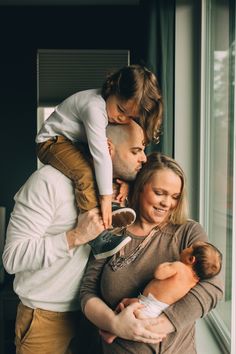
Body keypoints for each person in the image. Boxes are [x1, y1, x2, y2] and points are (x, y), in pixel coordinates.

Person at [2, 121, 162, 354]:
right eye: (136, 151)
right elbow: (12, 259)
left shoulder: (122, 188)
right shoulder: (48, 182)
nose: (144, 158)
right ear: (108, 148)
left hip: (99, 317)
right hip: (47, 319)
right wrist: (75, 236)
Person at [79, 152, 224, 354]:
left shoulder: (188, 233)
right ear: (140, 188)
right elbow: (87, 293)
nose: (167, 203)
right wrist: (115, 324)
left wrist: (163, 323)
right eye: (159, 193)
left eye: (175, 197)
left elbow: (214, 287)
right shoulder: (111, 231)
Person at [36, 64, 163, 259]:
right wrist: (104, 198)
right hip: (51, 141)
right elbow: (101, 155)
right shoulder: (94, 107)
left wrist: (126, 183)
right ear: (112, 88)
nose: (122, 118)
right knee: (85, 173)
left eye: (130, 116)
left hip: (74, 142)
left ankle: (109, 207)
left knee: (99, 171)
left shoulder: (110, 110)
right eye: (121, 109)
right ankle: (97, 237)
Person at [99, 240, 222, 344]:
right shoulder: (194, 281)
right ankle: (115, 329)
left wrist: (169, 264)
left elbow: (158, 274)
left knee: (129, 311)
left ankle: (112, 333)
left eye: (189, 248)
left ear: (191, 259)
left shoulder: (179, 267)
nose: (185, 248)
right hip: (158, 309)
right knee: (127, 302)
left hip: (148, 305)